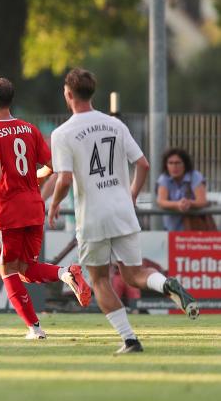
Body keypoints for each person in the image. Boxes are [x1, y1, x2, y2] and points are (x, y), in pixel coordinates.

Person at [48, 68, 199, 354]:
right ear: (92, 93)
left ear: (68, 94)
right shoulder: (114, 125)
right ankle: (167, 283)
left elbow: (65, 179)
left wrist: (54, 203)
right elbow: (142, 164)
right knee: (135, 274)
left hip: (92, 217)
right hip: (122, 212)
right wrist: (131, 194)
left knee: (100, 280)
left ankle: (129, 339)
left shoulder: (62, 133)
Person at [0, 76, 91, 340]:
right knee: (27, 270)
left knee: (7, 271)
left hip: (8, 212)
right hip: (33, 207)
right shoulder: (29, 129)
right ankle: (66, 273)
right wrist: (31, 179)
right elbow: (52, 166)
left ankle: (35, 329)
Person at [155, 148, 213, 231]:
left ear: (185, 164)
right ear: (166, 165)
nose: (174, 166)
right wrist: (178, 204)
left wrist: (189, 203)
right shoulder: (164, 178)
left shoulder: (195, 176)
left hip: (194, 230)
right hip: (171, 229)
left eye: (178, 163)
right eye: (170, 163)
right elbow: (161, 201)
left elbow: (202, 201)